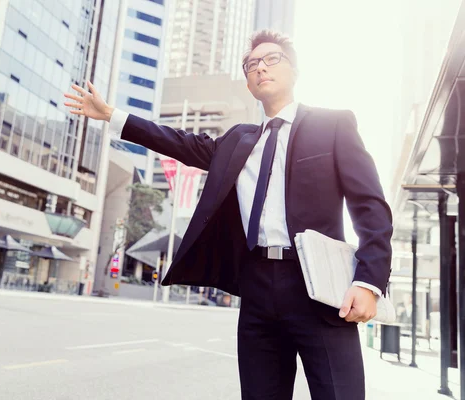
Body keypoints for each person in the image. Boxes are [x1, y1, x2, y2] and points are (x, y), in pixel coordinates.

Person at [65, 30, 393, 400]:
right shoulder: (238, 140)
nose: (260, 68)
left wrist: (368, 281)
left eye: (271, 59)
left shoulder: (332, 125)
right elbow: (177, 141)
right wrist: (111, 115)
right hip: (256, 287)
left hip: (319, 287)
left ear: (295, 71)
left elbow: (370, 206)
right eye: (251, 64)